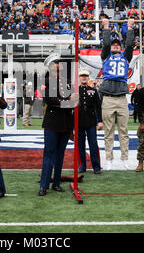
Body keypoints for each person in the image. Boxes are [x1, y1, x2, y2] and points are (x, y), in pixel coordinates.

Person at [98, 18, 135, 170]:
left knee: (123, 131)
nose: (114, 45)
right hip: (107, 97)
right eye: (113, 44)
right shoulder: (106, 56)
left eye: (117, 44)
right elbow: (106, 44)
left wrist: (131, 27)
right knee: (108, 131)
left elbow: (130, 45)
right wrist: (106, 27)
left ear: (120, 48)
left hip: (121, 98)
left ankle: (124, 158)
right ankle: (108, 159)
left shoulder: (125, 57)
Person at [39, 54, 77, 196]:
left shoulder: (67, 81)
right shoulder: (46, 81)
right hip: (52, 123)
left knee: (60, 155)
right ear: (51, 66)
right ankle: (44, 185)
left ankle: (56, 183)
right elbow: (50, 100)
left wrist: (72, 101)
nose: (60, 64)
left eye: (60, 62)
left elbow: (73, 100)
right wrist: (68, 101)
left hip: (66, 123)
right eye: (57, 62)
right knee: (49, 155)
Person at [77, 70, 103, 174]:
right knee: (80, 145)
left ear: (88, 78)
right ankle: (82, 165)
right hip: (78, 122)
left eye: (85, 76)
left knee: (93, 144)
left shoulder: (93, 91)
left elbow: (98, 107)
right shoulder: (75, 91)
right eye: (82, 76)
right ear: (79, 78)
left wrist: (100, 121)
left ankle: (96, 166)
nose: (84, 77)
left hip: (91, 122)